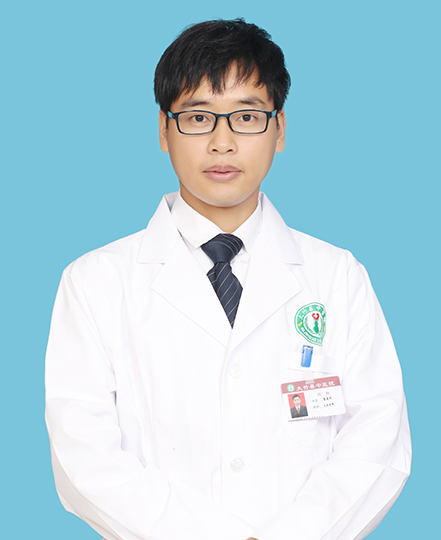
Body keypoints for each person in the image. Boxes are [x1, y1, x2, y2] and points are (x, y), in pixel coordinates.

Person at [45, 18, 411, 540]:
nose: (222, 143)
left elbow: (377, 437)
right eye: (198, 117)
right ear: (163, 130)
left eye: (246, 117)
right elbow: (85, 459)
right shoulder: (95, 283)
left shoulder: (337, 276)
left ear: (279, 130)